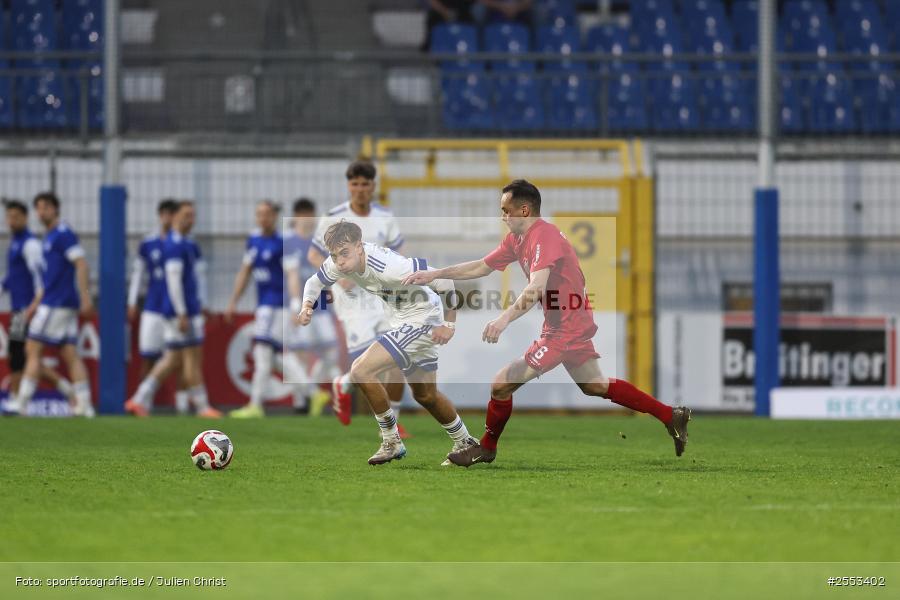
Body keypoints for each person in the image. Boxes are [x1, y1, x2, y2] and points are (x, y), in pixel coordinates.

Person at [403, 179, 691, 466]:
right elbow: (482, 265)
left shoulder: (544, 237)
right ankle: (671, 415)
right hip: (566, 323)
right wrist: (435, 273)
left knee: (501, 384)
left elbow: (535, 289)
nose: (502, 216)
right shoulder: (517, 240)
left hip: (566, 327)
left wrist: (503, 319)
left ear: (525, 210)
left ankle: (486, 447)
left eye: (506, 210)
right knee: (594, 385)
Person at [299, 220, 477, 465]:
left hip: (422, 319)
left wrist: (449, 324)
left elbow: (444, 281)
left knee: (361, 370)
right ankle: (466, 442)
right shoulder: (341, 262)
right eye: (334, 255)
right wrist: (307, 306)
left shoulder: (389, 266)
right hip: (403, 319)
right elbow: (314, 282)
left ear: (359, 247)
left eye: (344, 253)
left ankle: (391, 441)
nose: (339, 261)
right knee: (426, 395)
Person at [307, 160, 410, 435]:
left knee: (399, 354)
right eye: (355, 184)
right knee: (369, 363)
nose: (360, 189)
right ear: (348, 186)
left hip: (383, 295)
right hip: (351, 299)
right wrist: (338, 276)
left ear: (373, 186)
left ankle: (393, 422)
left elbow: (397, 253)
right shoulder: (334, 217)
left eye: (365, 184)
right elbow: (314, 254)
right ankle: (343, 384)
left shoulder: (385, 217)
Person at [126, 201, 221, 418]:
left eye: (193, 215)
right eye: (187, 215)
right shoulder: (175, 246)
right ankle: (202, 406)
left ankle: (139, 398)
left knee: (173, 358)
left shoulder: (183, 243)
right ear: (176, 216)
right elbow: (173, 281)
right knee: (191, 357)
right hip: (182, 311)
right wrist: (182, 312)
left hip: (181, 309)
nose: (191, 220)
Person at [226, 200, 309, 418]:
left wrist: (294, 304)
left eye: (267, 214)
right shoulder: (253, 240)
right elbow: (245, 272)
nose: (263, 218)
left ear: (274, 217)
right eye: (259, 214)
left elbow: (292, 275)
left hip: (276, 307)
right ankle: (311, 391)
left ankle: (255, 405)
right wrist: (233, 300)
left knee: (262, 352)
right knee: (272, 356)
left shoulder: (283, 243)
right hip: (264, 306)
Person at [14, 192, 94, 417]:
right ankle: (84, 405)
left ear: (56, 209)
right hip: (57, 301)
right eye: (38, 207)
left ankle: (21, 404)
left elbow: (81, 264)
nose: (41, 211)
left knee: (32, 349)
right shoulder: (49, 237)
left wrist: (86, 297)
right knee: (70, 354)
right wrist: (34, 304)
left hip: (57, 303)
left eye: (46, 207)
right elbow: (49, 279)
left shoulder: (62, 234)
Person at [1, 199, 73, 414]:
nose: (11, 221)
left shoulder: (30, 244)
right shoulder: (15, 243)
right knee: (23, 356)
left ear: (25, 218)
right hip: (19, 308)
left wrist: (34, 306)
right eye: (9, 217)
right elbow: (13, 277)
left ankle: (17, 402)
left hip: (27, 308)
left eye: (16, 217)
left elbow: (40, 277)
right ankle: (66, 390)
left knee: (21, 355)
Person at [127, 199, 192, 414]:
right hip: (153, 307)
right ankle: (145, 404)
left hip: (175, 309)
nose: (167, 217)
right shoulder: (149, 243)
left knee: (181, 356)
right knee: (149, 355)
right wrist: (132, 301)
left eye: (171, 213)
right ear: (160, 215)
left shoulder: (183, 243)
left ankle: (181, 404)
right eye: (164, 213)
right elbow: (138, 274)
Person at [284, 198, 339, 415]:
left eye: (311, 214)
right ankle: (301, 403)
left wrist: (333, 292)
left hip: (323, 304)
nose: (308, 219)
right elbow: (292, 276)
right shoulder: (289, 242)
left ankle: (312, 391)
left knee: (331, 352)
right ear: (297, 216)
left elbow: (328, 273)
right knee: (301, 354)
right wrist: (296, 305)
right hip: (302, 304)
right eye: (304, 215)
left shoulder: (320, 242)